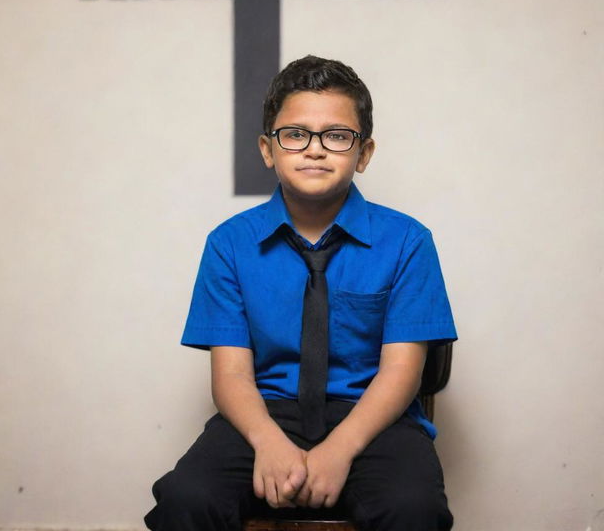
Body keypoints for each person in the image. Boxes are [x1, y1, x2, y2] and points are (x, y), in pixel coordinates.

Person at [144, 55, 457, 531]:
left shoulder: (408, 242)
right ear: (269, 150)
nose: (315, 149)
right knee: (185, 499)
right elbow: (230, 375)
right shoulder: (229, 244)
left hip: (371, 418)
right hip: (263, 414)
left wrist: (340, 448)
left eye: (337, 135)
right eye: (295, 134)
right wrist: (267, 441)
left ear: (364, 153)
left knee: (413, 508)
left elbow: (401, 372)